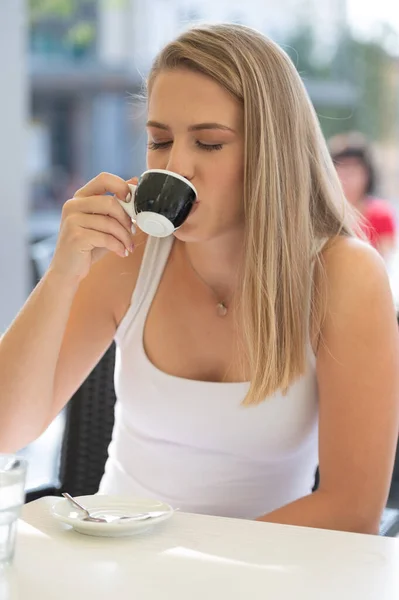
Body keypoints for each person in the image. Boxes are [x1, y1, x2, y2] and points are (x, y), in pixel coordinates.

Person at [1, 24, 398, 534]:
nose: (177, 166)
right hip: (119, 563)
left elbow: (352, 509)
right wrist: (61, 275)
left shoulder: (343, 275)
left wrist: (184, 568)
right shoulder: (128, 254)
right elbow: (9, 429)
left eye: (209, 143)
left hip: (266, 573)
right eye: (159, 141)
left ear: (270, 155)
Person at [329, 131, 397, 259]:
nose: (347, 178)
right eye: (342, 170)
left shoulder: (381, 214)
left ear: (367, 174)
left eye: (353, 171)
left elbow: (386, 259)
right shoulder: (326, 213)